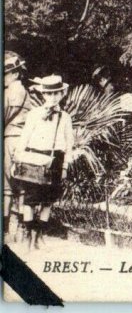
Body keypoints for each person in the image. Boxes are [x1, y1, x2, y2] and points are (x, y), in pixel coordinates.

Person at [14, 75, 74, 248]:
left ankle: (39, 235)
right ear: (43, 95)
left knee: (48, 202)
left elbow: (69, 144)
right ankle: (28, 238)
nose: (53, 97)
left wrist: (65, 165)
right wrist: (18, 157)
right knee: (30, 201)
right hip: (34, 160)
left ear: (61, 94)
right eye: (49, 94)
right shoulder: (34, 114)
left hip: (55, 160)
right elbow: (25, 137)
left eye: (56, 93)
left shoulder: (65, 117)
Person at [4, 52, 31, 236]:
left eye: (5, 74)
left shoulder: (9, 92)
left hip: (9, 138)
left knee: (6, 186)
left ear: (14, 74)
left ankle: (5, 228)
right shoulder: (26, 92)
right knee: (22, 185)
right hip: (24, 140)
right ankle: (22, 227)